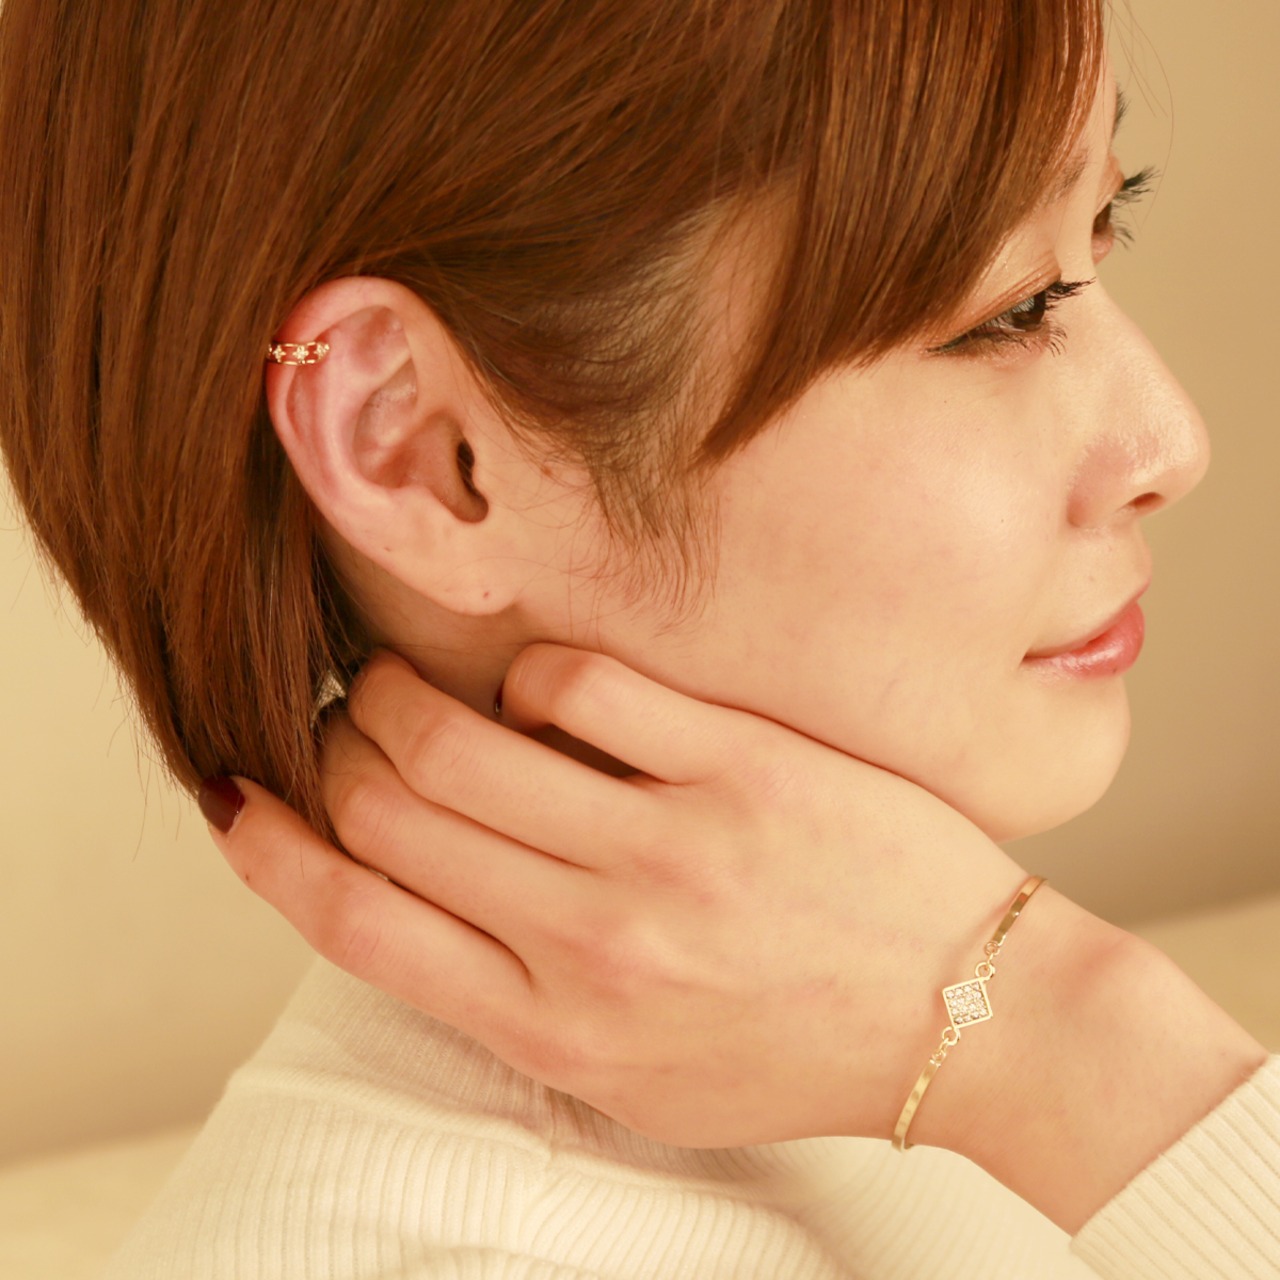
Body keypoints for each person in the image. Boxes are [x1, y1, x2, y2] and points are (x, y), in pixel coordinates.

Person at [0, 1, 1275, 1277]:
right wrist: (1050, 1030)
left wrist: (1034, 1035)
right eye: (1010, 308)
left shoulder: (884, 1018)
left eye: (1106, 221)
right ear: (421, 453)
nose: (1169, 443)